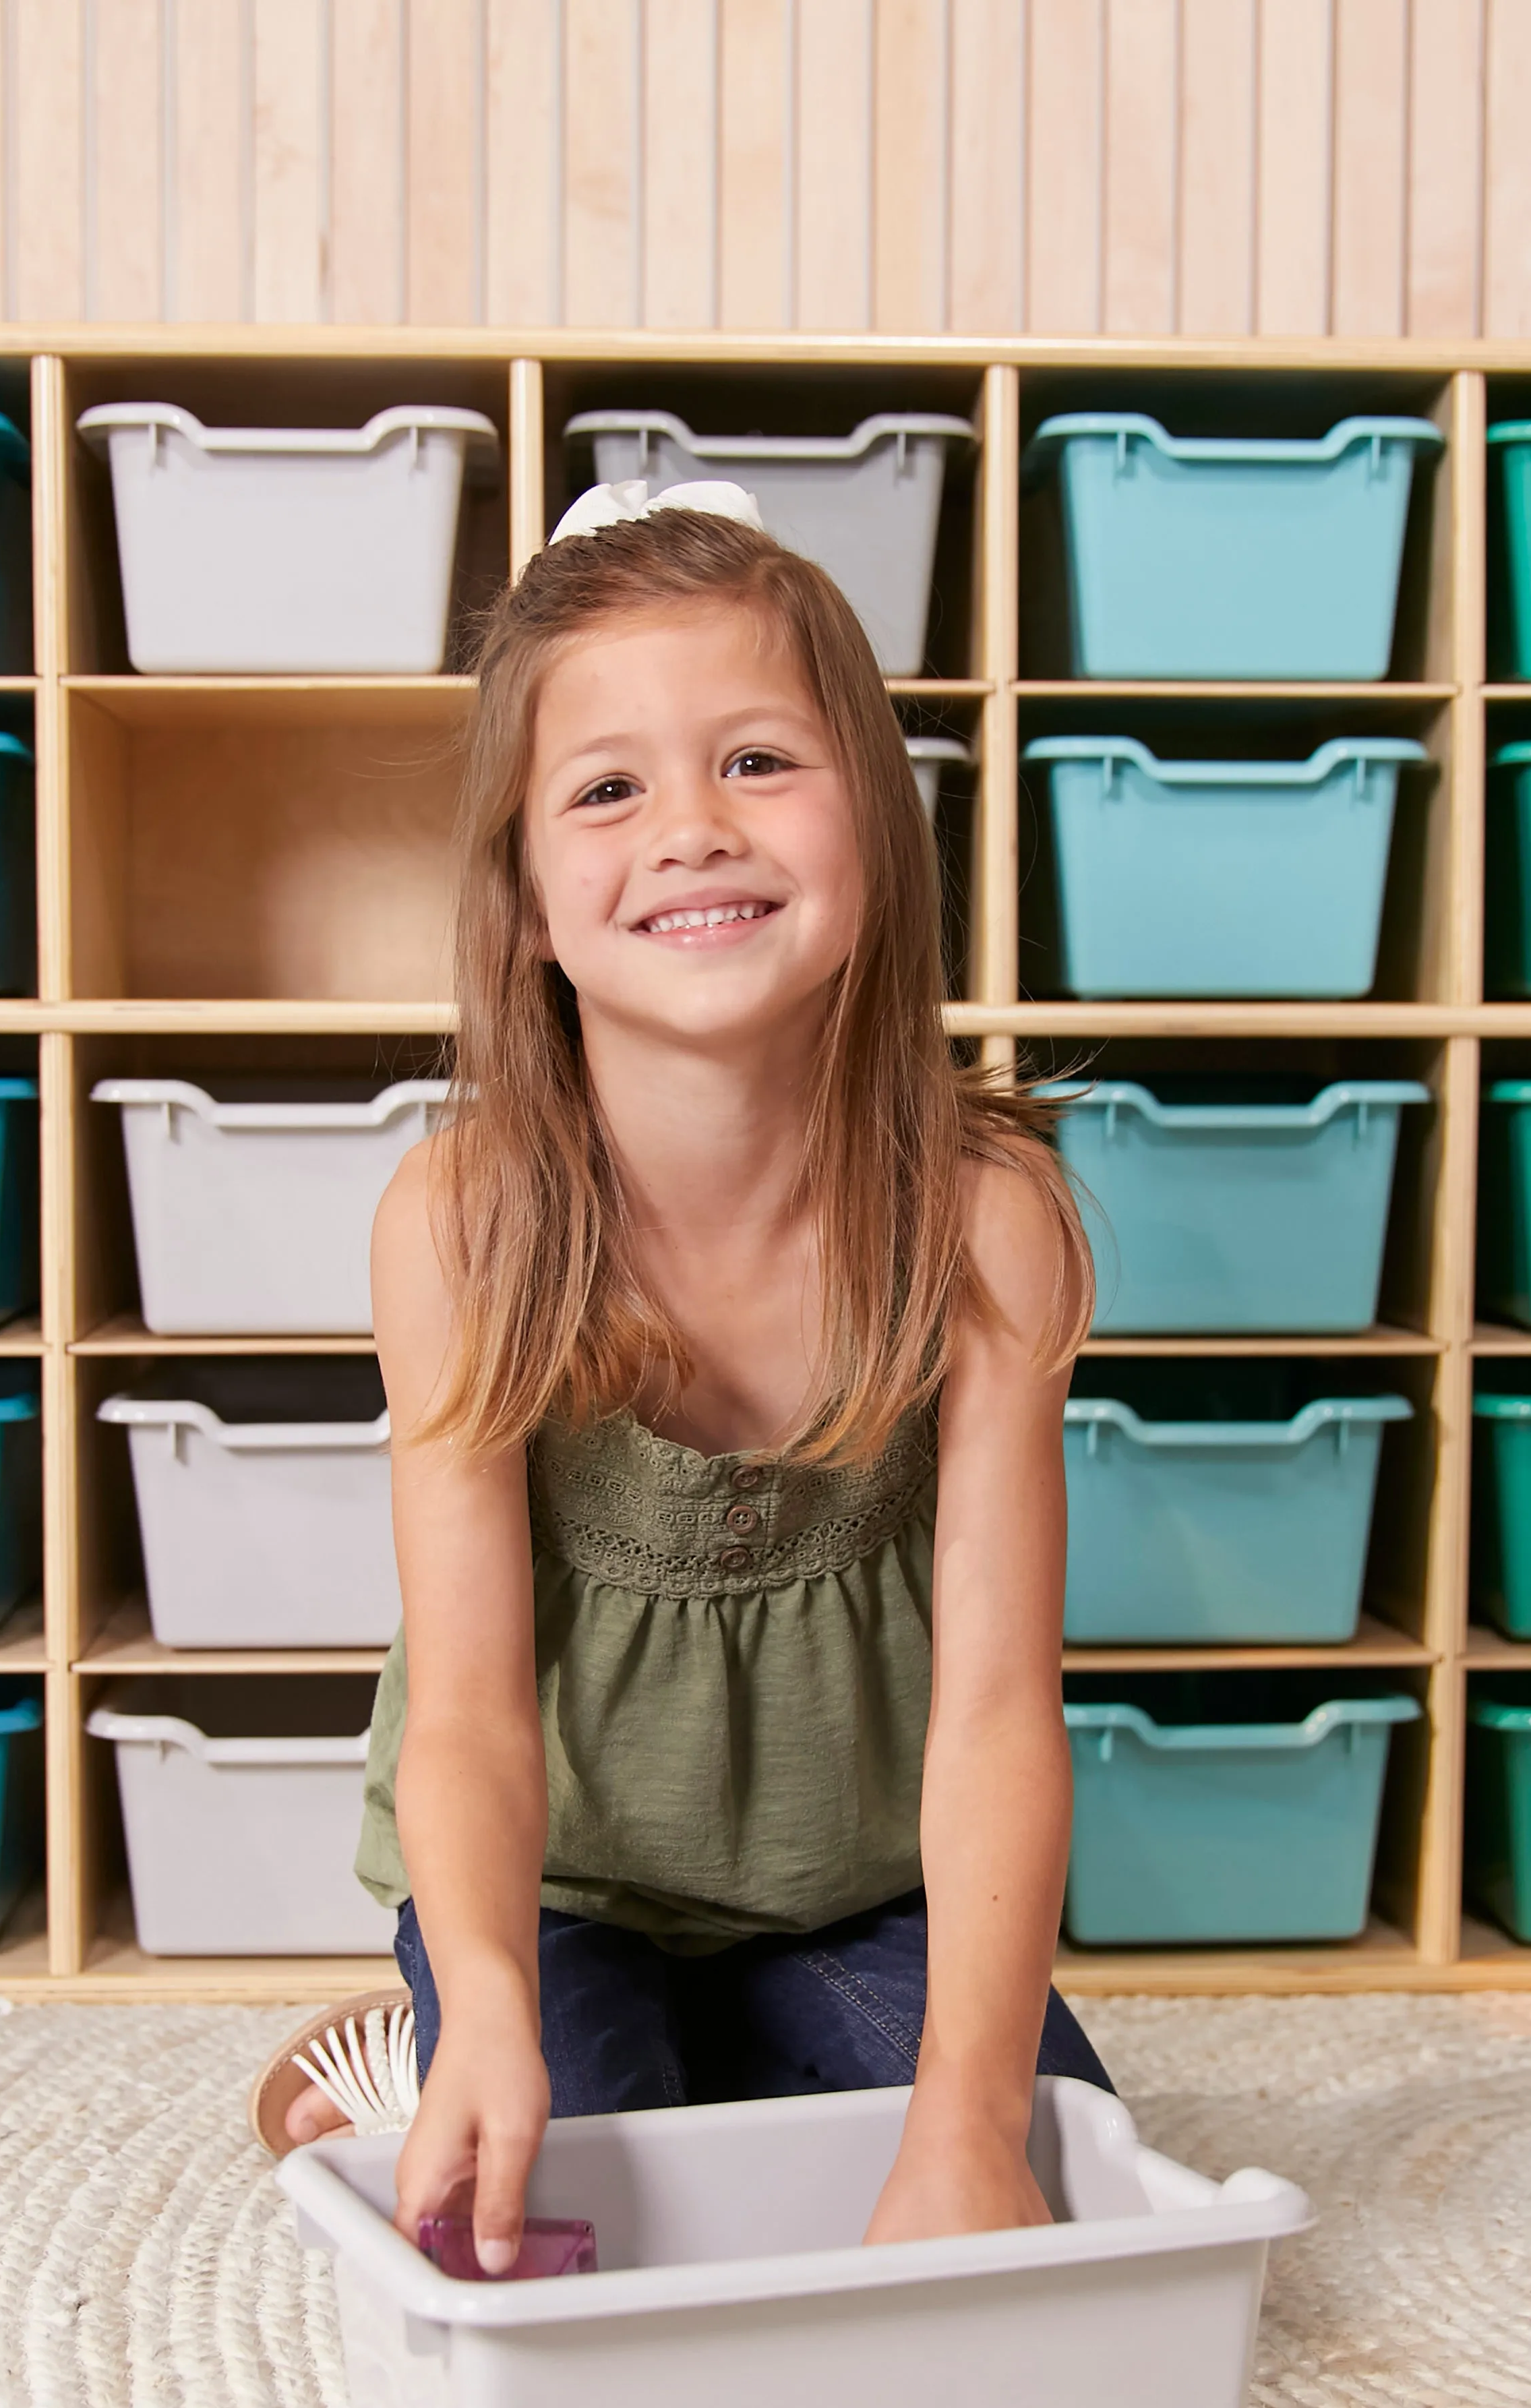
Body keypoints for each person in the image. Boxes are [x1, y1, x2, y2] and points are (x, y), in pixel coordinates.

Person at [250, 481, 1113, 2272]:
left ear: (875, 824)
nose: (693, 831)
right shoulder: (465, 1225)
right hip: (561, 1887)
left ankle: (740, 2052)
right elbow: (474, 1716)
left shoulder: (989, 1221)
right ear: (533, 906)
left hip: (856, 1887)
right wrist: (487, 1997)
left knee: (1052, 2159)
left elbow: (998, 1715)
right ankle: (410, 2032)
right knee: (591, 2204)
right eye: (611, 788)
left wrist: (963, 2115)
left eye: (759, 763)